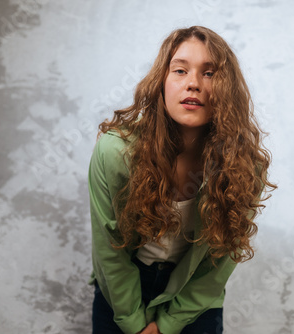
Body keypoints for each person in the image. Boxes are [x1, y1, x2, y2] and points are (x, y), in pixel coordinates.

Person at [88, 26, 276, 334]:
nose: (193, 84)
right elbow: (109, 249)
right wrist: (134, 324)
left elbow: (219, 263)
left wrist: (168, 325)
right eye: (179, 70)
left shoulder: (245, 166)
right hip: (120, 289)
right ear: (161, 82)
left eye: (210, 73)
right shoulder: (115, 151)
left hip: (193, 296)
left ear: (227, 89)